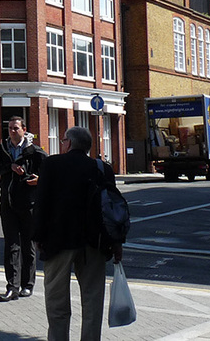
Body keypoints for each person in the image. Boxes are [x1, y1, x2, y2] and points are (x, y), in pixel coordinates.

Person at [32, 126, 123, 341]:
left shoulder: (52, 165)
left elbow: (41, 203)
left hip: (58, 242)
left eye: (63, 140)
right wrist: (117, 243)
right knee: (92, 301)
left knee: (56, 301)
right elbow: (113, 210)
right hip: (95, 243)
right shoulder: (102, 168)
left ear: (69, 143)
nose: (62, 143)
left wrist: (37, 236)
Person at [0, 116, 46, 302]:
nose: (12, 131)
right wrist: (8, 167)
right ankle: (12, 286)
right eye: (10, 128)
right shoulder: (2, 149)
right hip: (8, 203)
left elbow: (50, 173)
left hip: (28, 204)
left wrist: (38, 180)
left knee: (27, 246)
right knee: (11, 245)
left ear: (24, 129)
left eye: (16, 128)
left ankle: (27, 285)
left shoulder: (34, 151)